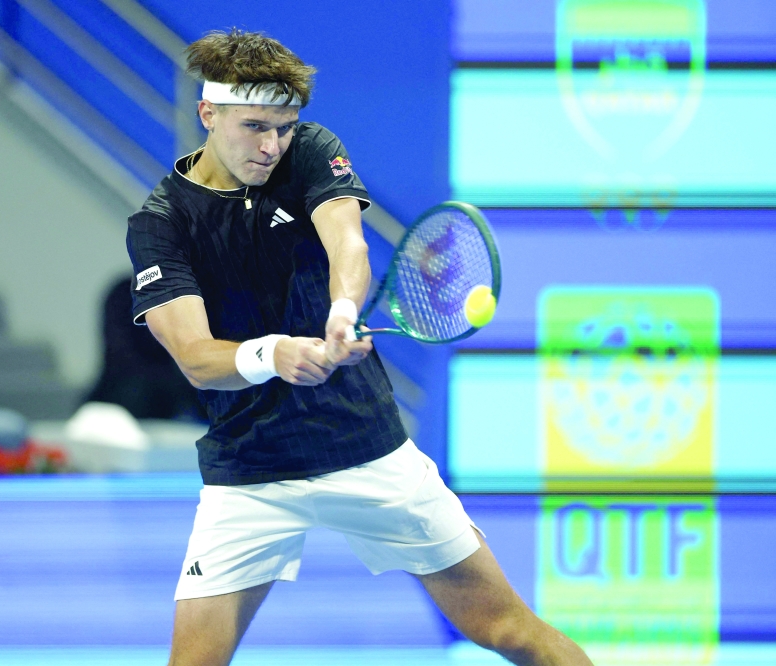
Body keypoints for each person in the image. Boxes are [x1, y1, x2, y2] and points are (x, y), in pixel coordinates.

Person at [126, 30, 593, 666]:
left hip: (365, 446)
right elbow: (196, 359)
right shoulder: (160, 225)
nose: (272, 146)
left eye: (285, 127)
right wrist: (273, 355)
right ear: (208, 113)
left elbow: (348, 243)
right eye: (255, 126)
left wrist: (342, 311)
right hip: (249, 470)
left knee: (509, 630)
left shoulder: (311, 152)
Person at [82, 275, 204, 421]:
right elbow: (120, 357)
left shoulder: (192, 295)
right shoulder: (124, 293)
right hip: (123, 398)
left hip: (181, 393)